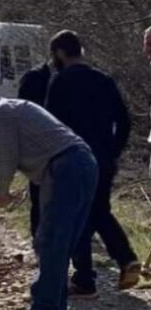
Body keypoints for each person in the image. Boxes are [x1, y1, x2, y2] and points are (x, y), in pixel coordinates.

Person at [0, 78, 98, 310]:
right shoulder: (10, 109)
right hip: (81, 164)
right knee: (59, 245)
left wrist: (2, 193)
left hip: (65, 168)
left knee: (49, 242)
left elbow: (6, 160)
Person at [46, 30, 140, 295]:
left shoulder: (61, 82)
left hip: (73, 156)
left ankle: (85, 278)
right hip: (103, 156)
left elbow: (51, 124)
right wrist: (113, 150)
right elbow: (125, 120)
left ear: (60, 54)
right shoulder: (104, 80)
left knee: (78, 214)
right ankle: (125, 259)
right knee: (98, 210)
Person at [17, 58, 53, 237]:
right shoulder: (34, 77)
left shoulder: (71, 78)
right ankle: (38, 237)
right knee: (39, 196)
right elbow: (23, 110)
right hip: (39, 147)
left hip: (64, 146)